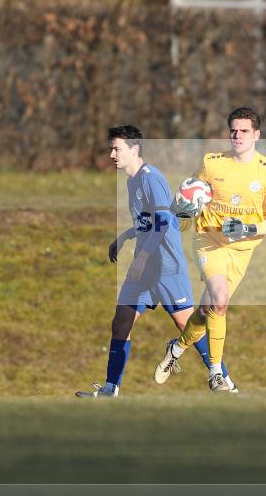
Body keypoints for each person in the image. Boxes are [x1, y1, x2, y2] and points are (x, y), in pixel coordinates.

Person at [76, 125, 236, 398]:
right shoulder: (132, 180)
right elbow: (147, 222)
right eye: (111, 148)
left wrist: (144, 256)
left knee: (188, 327)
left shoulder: (152, 178)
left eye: (117, 148)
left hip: (165, 266)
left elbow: (163, 222)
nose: (112, 154)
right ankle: (110, 389)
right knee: (121, 322)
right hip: (144, 266)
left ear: (134, 150)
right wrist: (124, 236)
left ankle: (225, 381)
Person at [154, 107, 266, 392]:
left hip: (241, 249)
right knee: (221, 298)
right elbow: (191, 191)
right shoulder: (212, 163)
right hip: (209, 239)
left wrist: (248, 229)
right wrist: (184, 205)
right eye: (233, 130)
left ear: (257, 135)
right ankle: (216, 373)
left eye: (244, 131)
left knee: (207, 308)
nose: (237, 136)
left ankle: (176, 349)